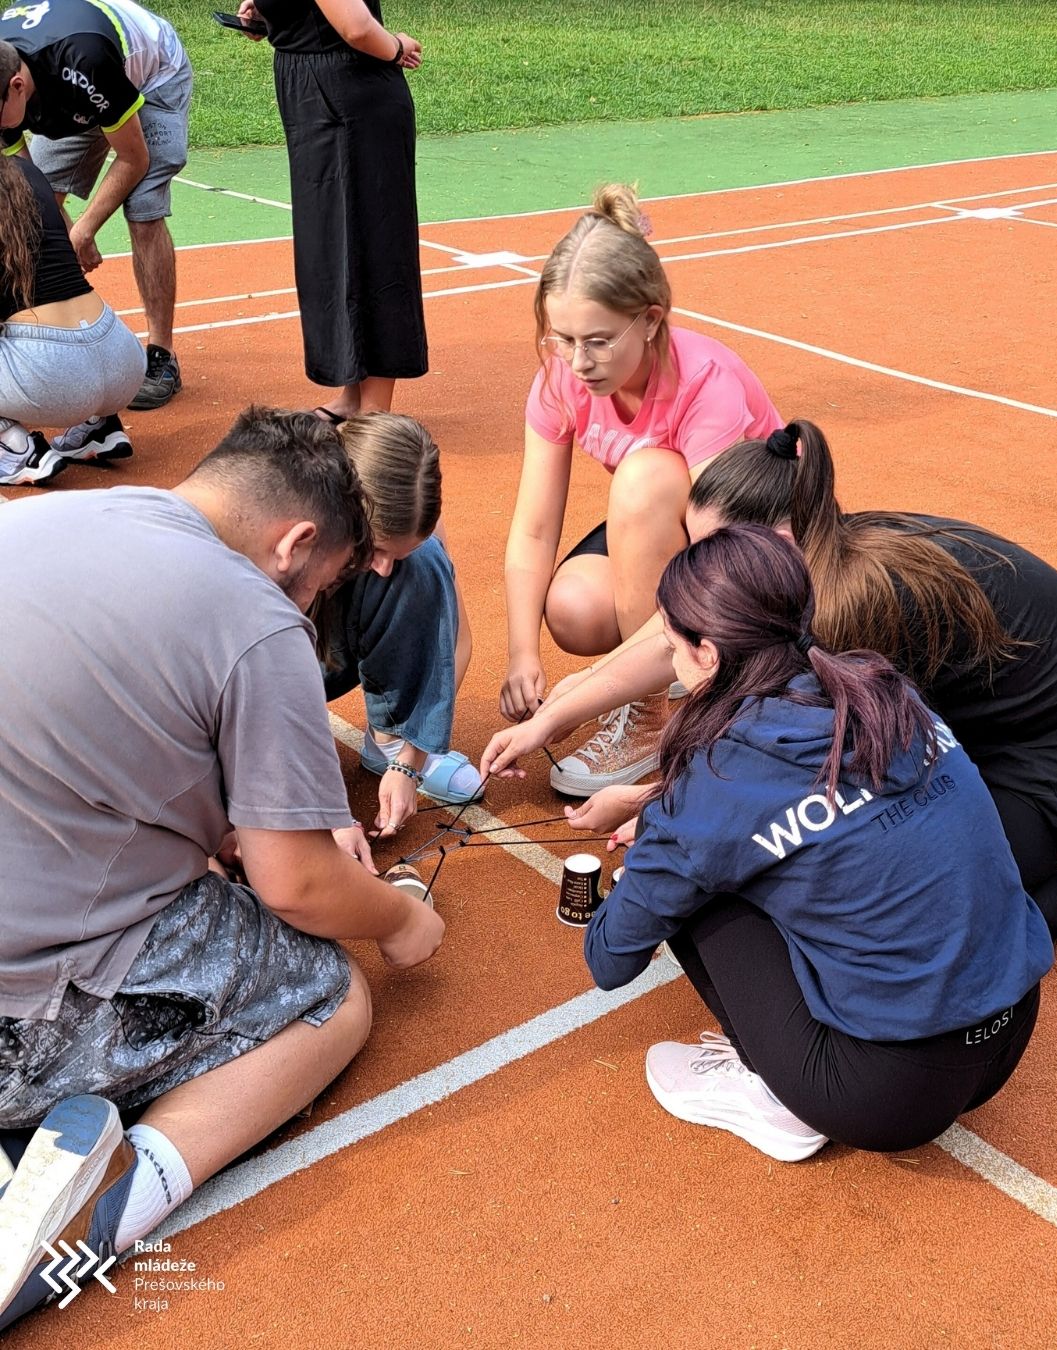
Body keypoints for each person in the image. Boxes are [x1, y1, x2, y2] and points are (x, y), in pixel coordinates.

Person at [0, 407, 444, 1331]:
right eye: (325, 583)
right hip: (20, 1014)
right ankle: (94, 1212)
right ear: (296, 543)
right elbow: (297, 885)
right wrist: (399, 918)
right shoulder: (256, 620)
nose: (313, 604)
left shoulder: (52, 513)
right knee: (330, 997)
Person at [482, 419, 1057, 941]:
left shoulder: (848, 612)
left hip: (1053, 748)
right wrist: (551, 719)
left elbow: (809, 774)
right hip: (971, 717)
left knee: (915, 901)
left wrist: (662, 806)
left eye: (717, 550)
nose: (702, 568)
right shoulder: (813, 556)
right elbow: (674, 636)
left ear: (780, 543)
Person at [580, 525, 1051, 1161]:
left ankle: (773, 1099)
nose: (671, 662)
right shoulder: (886, 692)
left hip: (886, 1097)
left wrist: (657, 843)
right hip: (1011, 1030)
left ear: (709, 654)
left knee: (696, 886)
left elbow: (609, 960)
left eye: (672, 647)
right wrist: (666, 813)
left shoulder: (713, 786)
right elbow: (828, 808)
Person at [501, 182, 782, 797]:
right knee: (573, 606)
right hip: (680, 530)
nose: (578, 362)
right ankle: (659, 679)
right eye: (562, 339)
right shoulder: (560, 380)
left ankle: (657, 711)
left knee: (645, 477)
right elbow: (534, 528)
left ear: (650, 320)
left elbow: (723, 553)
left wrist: (589, 688)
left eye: (598, 341)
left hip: (760, 551)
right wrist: (523, 652)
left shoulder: (705, 382)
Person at [235, 0, 426, 420]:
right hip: (316, 93)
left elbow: (357, 28)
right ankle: (352, 395)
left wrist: (396, 47)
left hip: (351, 95)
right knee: (332, 244)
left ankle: (374, 413)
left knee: (372, 245)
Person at [0, 1, 190, 410]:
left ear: (16, 86)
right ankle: (61, 331)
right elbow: (26, 188)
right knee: (27, 209)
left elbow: (134, 158)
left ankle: (162, 355)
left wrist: (83, 232)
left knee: (143, 210)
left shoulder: (85, 59)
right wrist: (65, 232)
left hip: (150, 77)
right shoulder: (6, 78)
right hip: (70, 92)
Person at [319, 412, 481, 833]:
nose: (385, 569)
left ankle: (388, 739)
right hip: (250, 681)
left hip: (324, 652)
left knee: (420, 563)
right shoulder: (277, 533)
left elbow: (452, 643)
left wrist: (410, 759)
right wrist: (323, 808)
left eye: (397, 552)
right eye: (376, 548)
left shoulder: (411, 523)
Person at [0, 152, 145, 486]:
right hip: (121, 355)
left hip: (52, 375)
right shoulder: (26, 171)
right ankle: (98, 426)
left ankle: (15, 448)